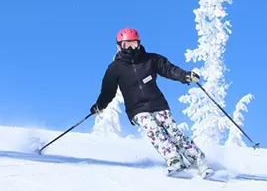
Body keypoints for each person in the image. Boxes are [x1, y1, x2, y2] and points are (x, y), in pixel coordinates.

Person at [90, 27, 213, 178]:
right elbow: (108, 91)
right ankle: (174, 160)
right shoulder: (115, 68)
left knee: (173, 132)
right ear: (119, 46)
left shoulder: (151, 59)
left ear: (139, 43)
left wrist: (185, 76)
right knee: (153, 130)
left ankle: (199, 161)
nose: (130, 48)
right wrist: (99, 106)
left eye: (133, 44)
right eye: (126, 45)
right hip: (136, 109)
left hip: (158, 103)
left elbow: (169, 69)